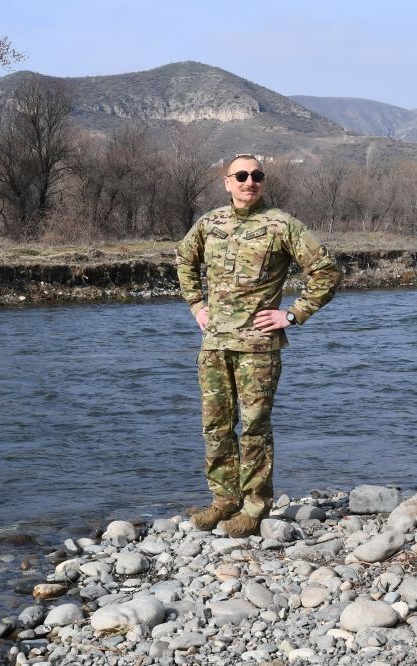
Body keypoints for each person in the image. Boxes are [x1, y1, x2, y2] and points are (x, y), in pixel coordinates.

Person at [175, 154, 341, 537]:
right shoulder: (210, 223)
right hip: (215, 344)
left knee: (253, 428)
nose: (251, 182)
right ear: (227, 182)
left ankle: (254, 507)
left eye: (257, 176)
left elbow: (326, 272)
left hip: (258, 347)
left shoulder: (281, 225)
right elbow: (184, 259)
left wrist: (294, 314)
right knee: (215, 426)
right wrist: (196, 304)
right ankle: (222, 502)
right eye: (242, 176)